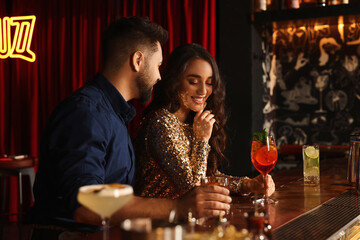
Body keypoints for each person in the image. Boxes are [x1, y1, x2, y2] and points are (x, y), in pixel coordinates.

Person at [27, 17, 231, 232]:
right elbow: (85, 205)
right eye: (158, 66)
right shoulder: (87, 113)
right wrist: (178, 207)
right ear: (138, 61)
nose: (160, 77)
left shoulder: (113, 114)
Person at [134, 43, 275, 199]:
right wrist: (201, 140)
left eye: (209, 83)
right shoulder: (161, 123)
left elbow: (208, 177)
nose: (203, 91)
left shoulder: (193, 121)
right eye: (193, 82)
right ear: (174, 81)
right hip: (158, 220)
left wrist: (248, 184)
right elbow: (194, 190)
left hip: (190, 219)